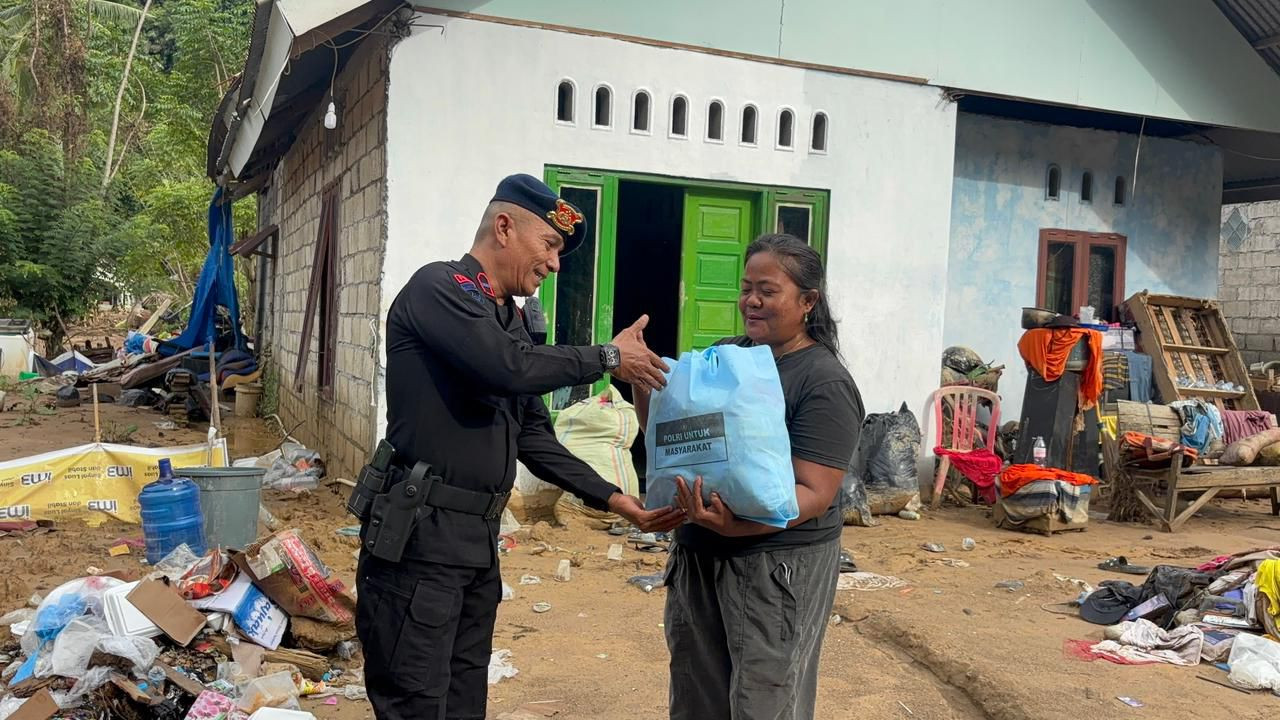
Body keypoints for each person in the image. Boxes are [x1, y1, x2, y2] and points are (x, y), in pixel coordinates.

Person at [356, 173, 685, 720]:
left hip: (476, 543)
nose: (555, 264)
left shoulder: (506, 318)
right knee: (415, 701)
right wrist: (606, 357)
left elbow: (533, 435)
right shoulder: (439, 289)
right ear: (504, 227)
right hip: (420, 538)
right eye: (550, 245)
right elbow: (506, 368)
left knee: (464, 701)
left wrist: (615, 499)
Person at [632, 233, 865, 720]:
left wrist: (735, 526)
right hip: (699, 555)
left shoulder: (823, 381)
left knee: (764, 700)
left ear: (808, 302)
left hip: (775, 568)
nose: (751, 301)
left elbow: (815, 495)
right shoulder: (726, 355)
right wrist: (642, 382)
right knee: (696, 697)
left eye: (767, 290)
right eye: (746, 288)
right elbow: (673, 442)